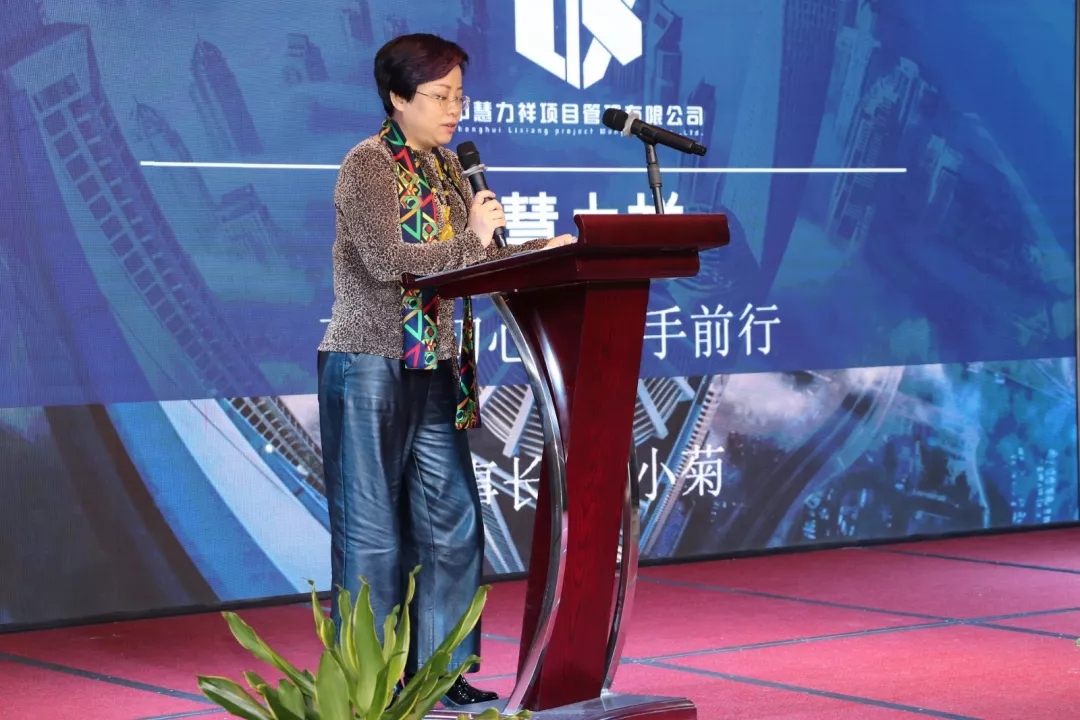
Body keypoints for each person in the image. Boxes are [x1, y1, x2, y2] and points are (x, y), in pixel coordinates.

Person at [316, 33, 575, 708]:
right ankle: (369, 687)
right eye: (439, 95)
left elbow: (477, 260)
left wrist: (546, 253)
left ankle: (442, 675)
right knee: (373, 537)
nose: (455, 108)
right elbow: (386, 260)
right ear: (398, 99)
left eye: (459, 95)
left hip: (435, 365)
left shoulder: (448, 171)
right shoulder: (367, 164)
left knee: (453, 525)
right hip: (369, 362)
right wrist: (473, 240)